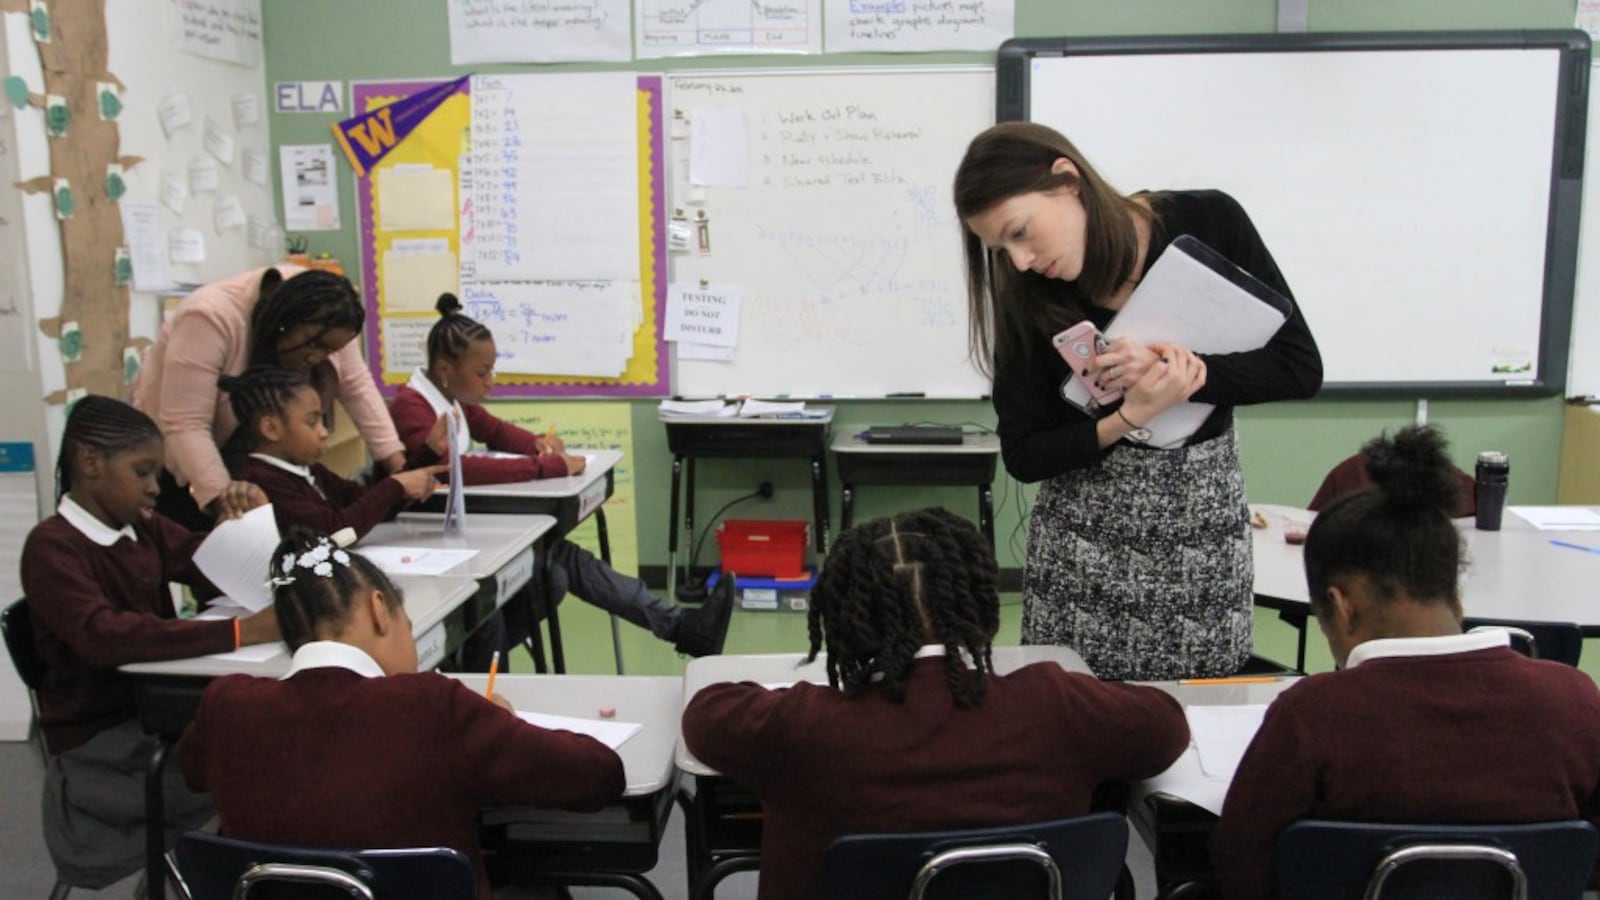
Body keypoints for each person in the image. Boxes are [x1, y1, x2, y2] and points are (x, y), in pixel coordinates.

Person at [953, 121, 1323, 680]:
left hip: (1201, 535)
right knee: (1078, 717)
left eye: (1021, 231)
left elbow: (1298, 368)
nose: (1021, 260)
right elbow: (1025, 456)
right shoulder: (1025, 298)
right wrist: (1128, 417)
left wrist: (1180, 373)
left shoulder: (1208, 223)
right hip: (1081, 554)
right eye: (1001, 248)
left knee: (1205, 712)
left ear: (1067, 179)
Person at [681, 507, 1189, 900]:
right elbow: (1164, 725)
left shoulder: (804, 723)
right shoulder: (1054, 702)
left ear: (843, 621)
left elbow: (706, 713)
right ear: (980, 609)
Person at [1211, 426, 1600, 900]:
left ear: (1342, 605)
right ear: (1455, 593)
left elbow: (1239, 870)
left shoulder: (1311, 713)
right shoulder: (1573, 700)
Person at [179, 530, 626, 900]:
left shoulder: (226, 705)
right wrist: (504, 725)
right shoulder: (430, 706)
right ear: (378, 609)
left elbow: (193, 770)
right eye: (407, 626)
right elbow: (597, 775)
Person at [19, 396, 280, 888]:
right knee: (253, 763)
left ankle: (200, 879)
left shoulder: (140, 528)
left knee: (262, 738)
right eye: (143, 472)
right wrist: (241, 631)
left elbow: (208, 563)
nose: (155, 488)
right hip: (103, 742)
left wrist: (247, 522)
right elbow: (105, 637)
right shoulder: (52, 547)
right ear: (92, 463)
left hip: (157, 710)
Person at [387, 294, 734, 659]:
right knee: (556, 565)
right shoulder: (413, 406)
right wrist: (547, 466)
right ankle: (679, 626)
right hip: (431, 546)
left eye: (492, 368)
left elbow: (496, 431)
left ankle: (680, 626)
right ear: (445, 370)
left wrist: (538, 443)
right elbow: (456, 469)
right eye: (482, 372)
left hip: (464, 533)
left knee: (557, 567)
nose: (491, 380)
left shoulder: (449, 397)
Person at [131, 266, 407, 529]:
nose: (317, 358)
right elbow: (186, 424)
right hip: (188, 460)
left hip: (251, 459)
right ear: (287, 321)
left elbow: (356, 386)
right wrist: (228, 506)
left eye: (330, 350)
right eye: (314, 344)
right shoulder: (209, 316)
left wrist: (399, 467)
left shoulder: (330, 310)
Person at [220, 366, 445, 539]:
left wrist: (426, 456)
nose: (324, 432)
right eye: (312, 422)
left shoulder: (309, 470)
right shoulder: (262, 481)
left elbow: (371, 506)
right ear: (271, 429)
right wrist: (397, 485)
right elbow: (335, 533)